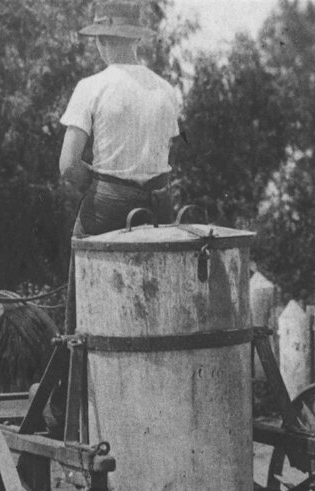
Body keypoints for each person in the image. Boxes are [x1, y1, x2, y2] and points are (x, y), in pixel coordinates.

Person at [59, 1, 181, 330]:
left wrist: (103, 187)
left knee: (81, 286)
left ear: (102, 40)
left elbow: (68, 165)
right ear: (136, 39)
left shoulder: (91, 87)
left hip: (108, 210)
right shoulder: (167, 91)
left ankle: (74, 354)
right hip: (160, 209)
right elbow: (163, 154)